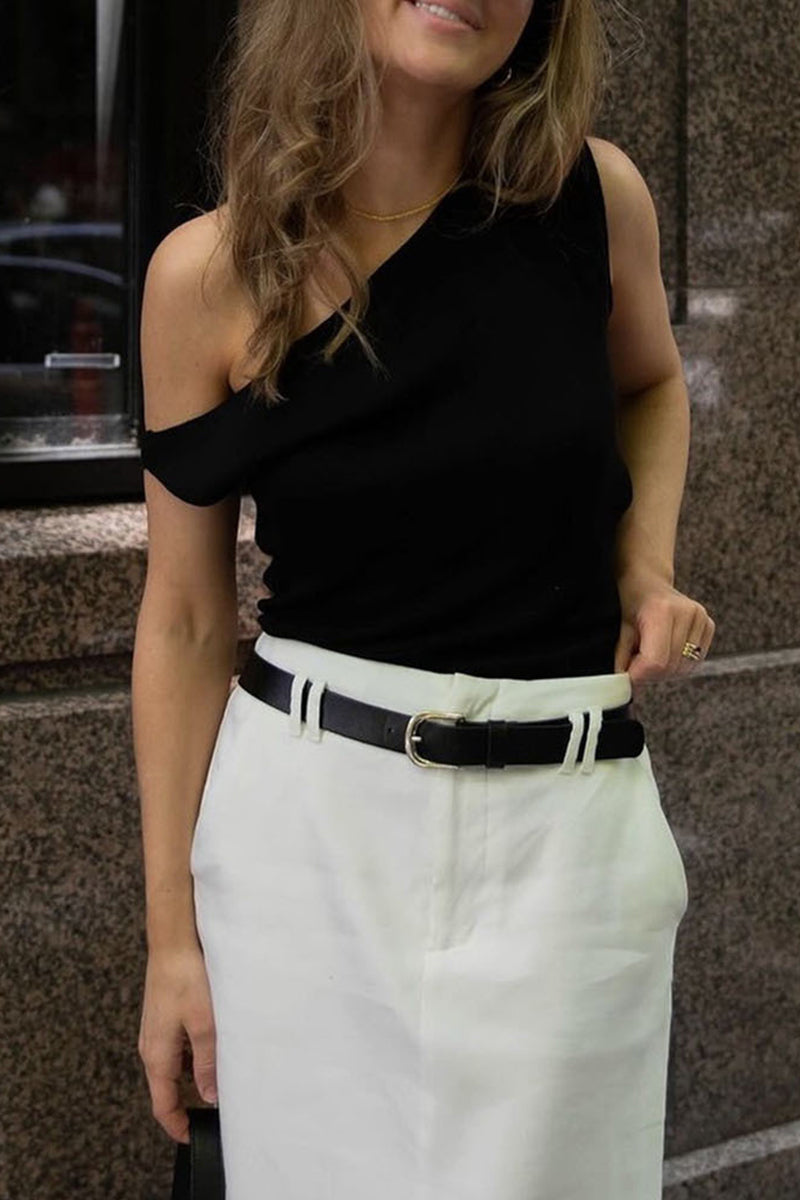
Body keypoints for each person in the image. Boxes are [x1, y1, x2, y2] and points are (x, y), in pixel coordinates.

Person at [132, 1, 716, 1197]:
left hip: (567, 845)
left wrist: (642, 563)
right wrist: (171, 942)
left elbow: (651, 384)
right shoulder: (210, 271)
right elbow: (186, 621)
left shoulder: (593, 201)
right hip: (308, 847)